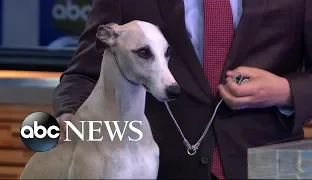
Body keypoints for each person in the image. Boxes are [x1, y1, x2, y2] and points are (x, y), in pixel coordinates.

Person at [53, 0, 312, 179]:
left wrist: (286, 90)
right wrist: (71, 119)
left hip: (275, 165)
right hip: (157, 166)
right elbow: (84, 74)